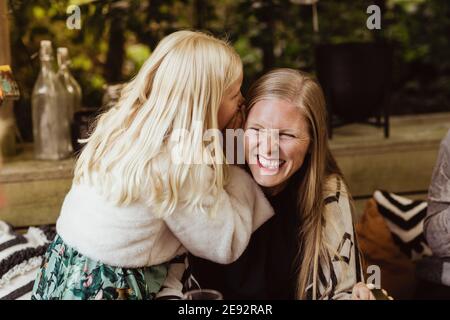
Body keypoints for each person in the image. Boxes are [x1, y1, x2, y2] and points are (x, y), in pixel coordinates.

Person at [31, 30, 274, 300]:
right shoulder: (178, 165)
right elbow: (224, 243)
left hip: (61, 272)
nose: (242, 101)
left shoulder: (124, 127)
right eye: (234, 94)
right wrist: (238, 173)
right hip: (112, 289)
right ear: (204, 103)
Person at [191, 68, 373, 300]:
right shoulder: (211, 177)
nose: (268, 148)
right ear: (241, 127)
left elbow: (341, 291)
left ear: (312, 144)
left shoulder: (328, 192)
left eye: (286, 135)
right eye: (257, 130)